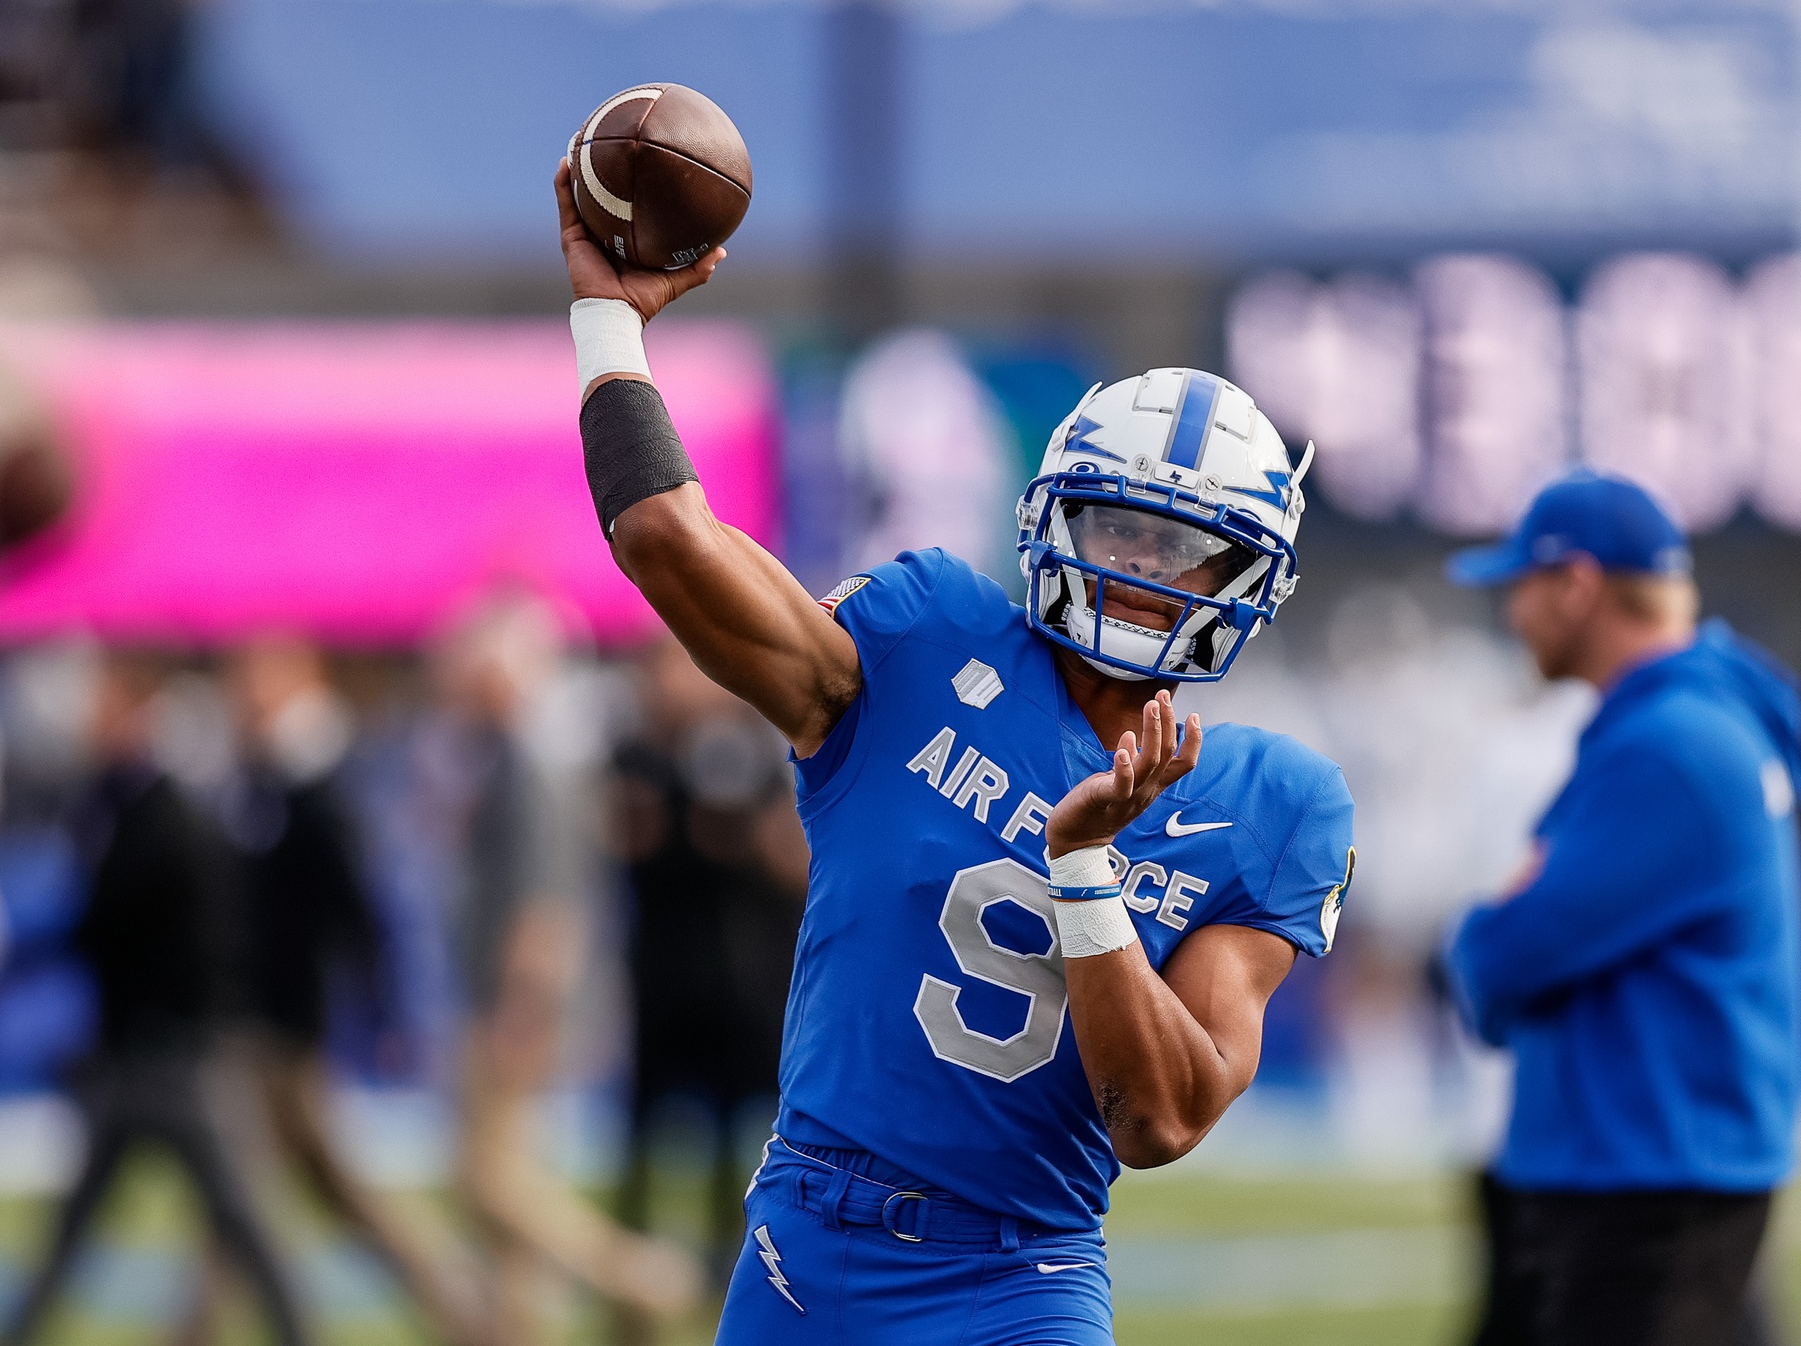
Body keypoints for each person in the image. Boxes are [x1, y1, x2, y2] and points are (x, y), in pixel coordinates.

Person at [554, 161, 1356, 1344]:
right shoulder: (926, 639)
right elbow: (666, 541)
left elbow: (1161, 1119)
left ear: (1246, 584)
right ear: (1050, 515)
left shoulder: (1271, 801)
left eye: (1183, 553)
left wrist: (1084, 873)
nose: (1140, 569)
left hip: (1016, 1280)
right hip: (802, 1245)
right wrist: (609, 318)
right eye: (1119, 524)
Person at [1439, 471, 1801, 1346]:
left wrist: (1480, 936)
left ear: (1576, 586)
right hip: (1657, 1166)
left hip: (1642, 1183)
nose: (1511, 614)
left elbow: (1502, 956)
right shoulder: (1686, 725)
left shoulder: (1672, 746)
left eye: (1521, 587)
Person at [0, 649, 310, 1346]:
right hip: (138, 1055)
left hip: (176, 1057)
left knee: (240, 1219)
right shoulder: (129, 805)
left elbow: (112, 923)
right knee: (85, 1226)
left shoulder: (164, 815)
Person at [431, 593, 700, 1343]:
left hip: (514, 1001)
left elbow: (545, 905)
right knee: (503, 1174)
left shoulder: (534, 759)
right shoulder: (527, 753)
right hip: (510, 995)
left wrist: (523, 1006)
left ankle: (633, 1273)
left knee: (490, 1179)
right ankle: (514, 1324)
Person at [210, 633, 484, 1346]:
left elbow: (355, 909)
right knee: (271, 1195)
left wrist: (381, 1007)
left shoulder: (316, 782)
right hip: (267, 1021)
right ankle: (460, 1309)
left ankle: (462, 1307)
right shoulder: (269, 777)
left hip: (288, 1027)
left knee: (271, 1195)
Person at [611, 635, 806, 1278]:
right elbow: (620, 841)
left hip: (739, 975)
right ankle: (631, 1280)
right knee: (641, 1139)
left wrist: (742, 834)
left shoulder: (749, 748)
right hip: (662, 975)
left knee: (738, 1139)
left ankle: (732, 1271)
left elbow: (794, 859)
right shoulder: (637, 756)